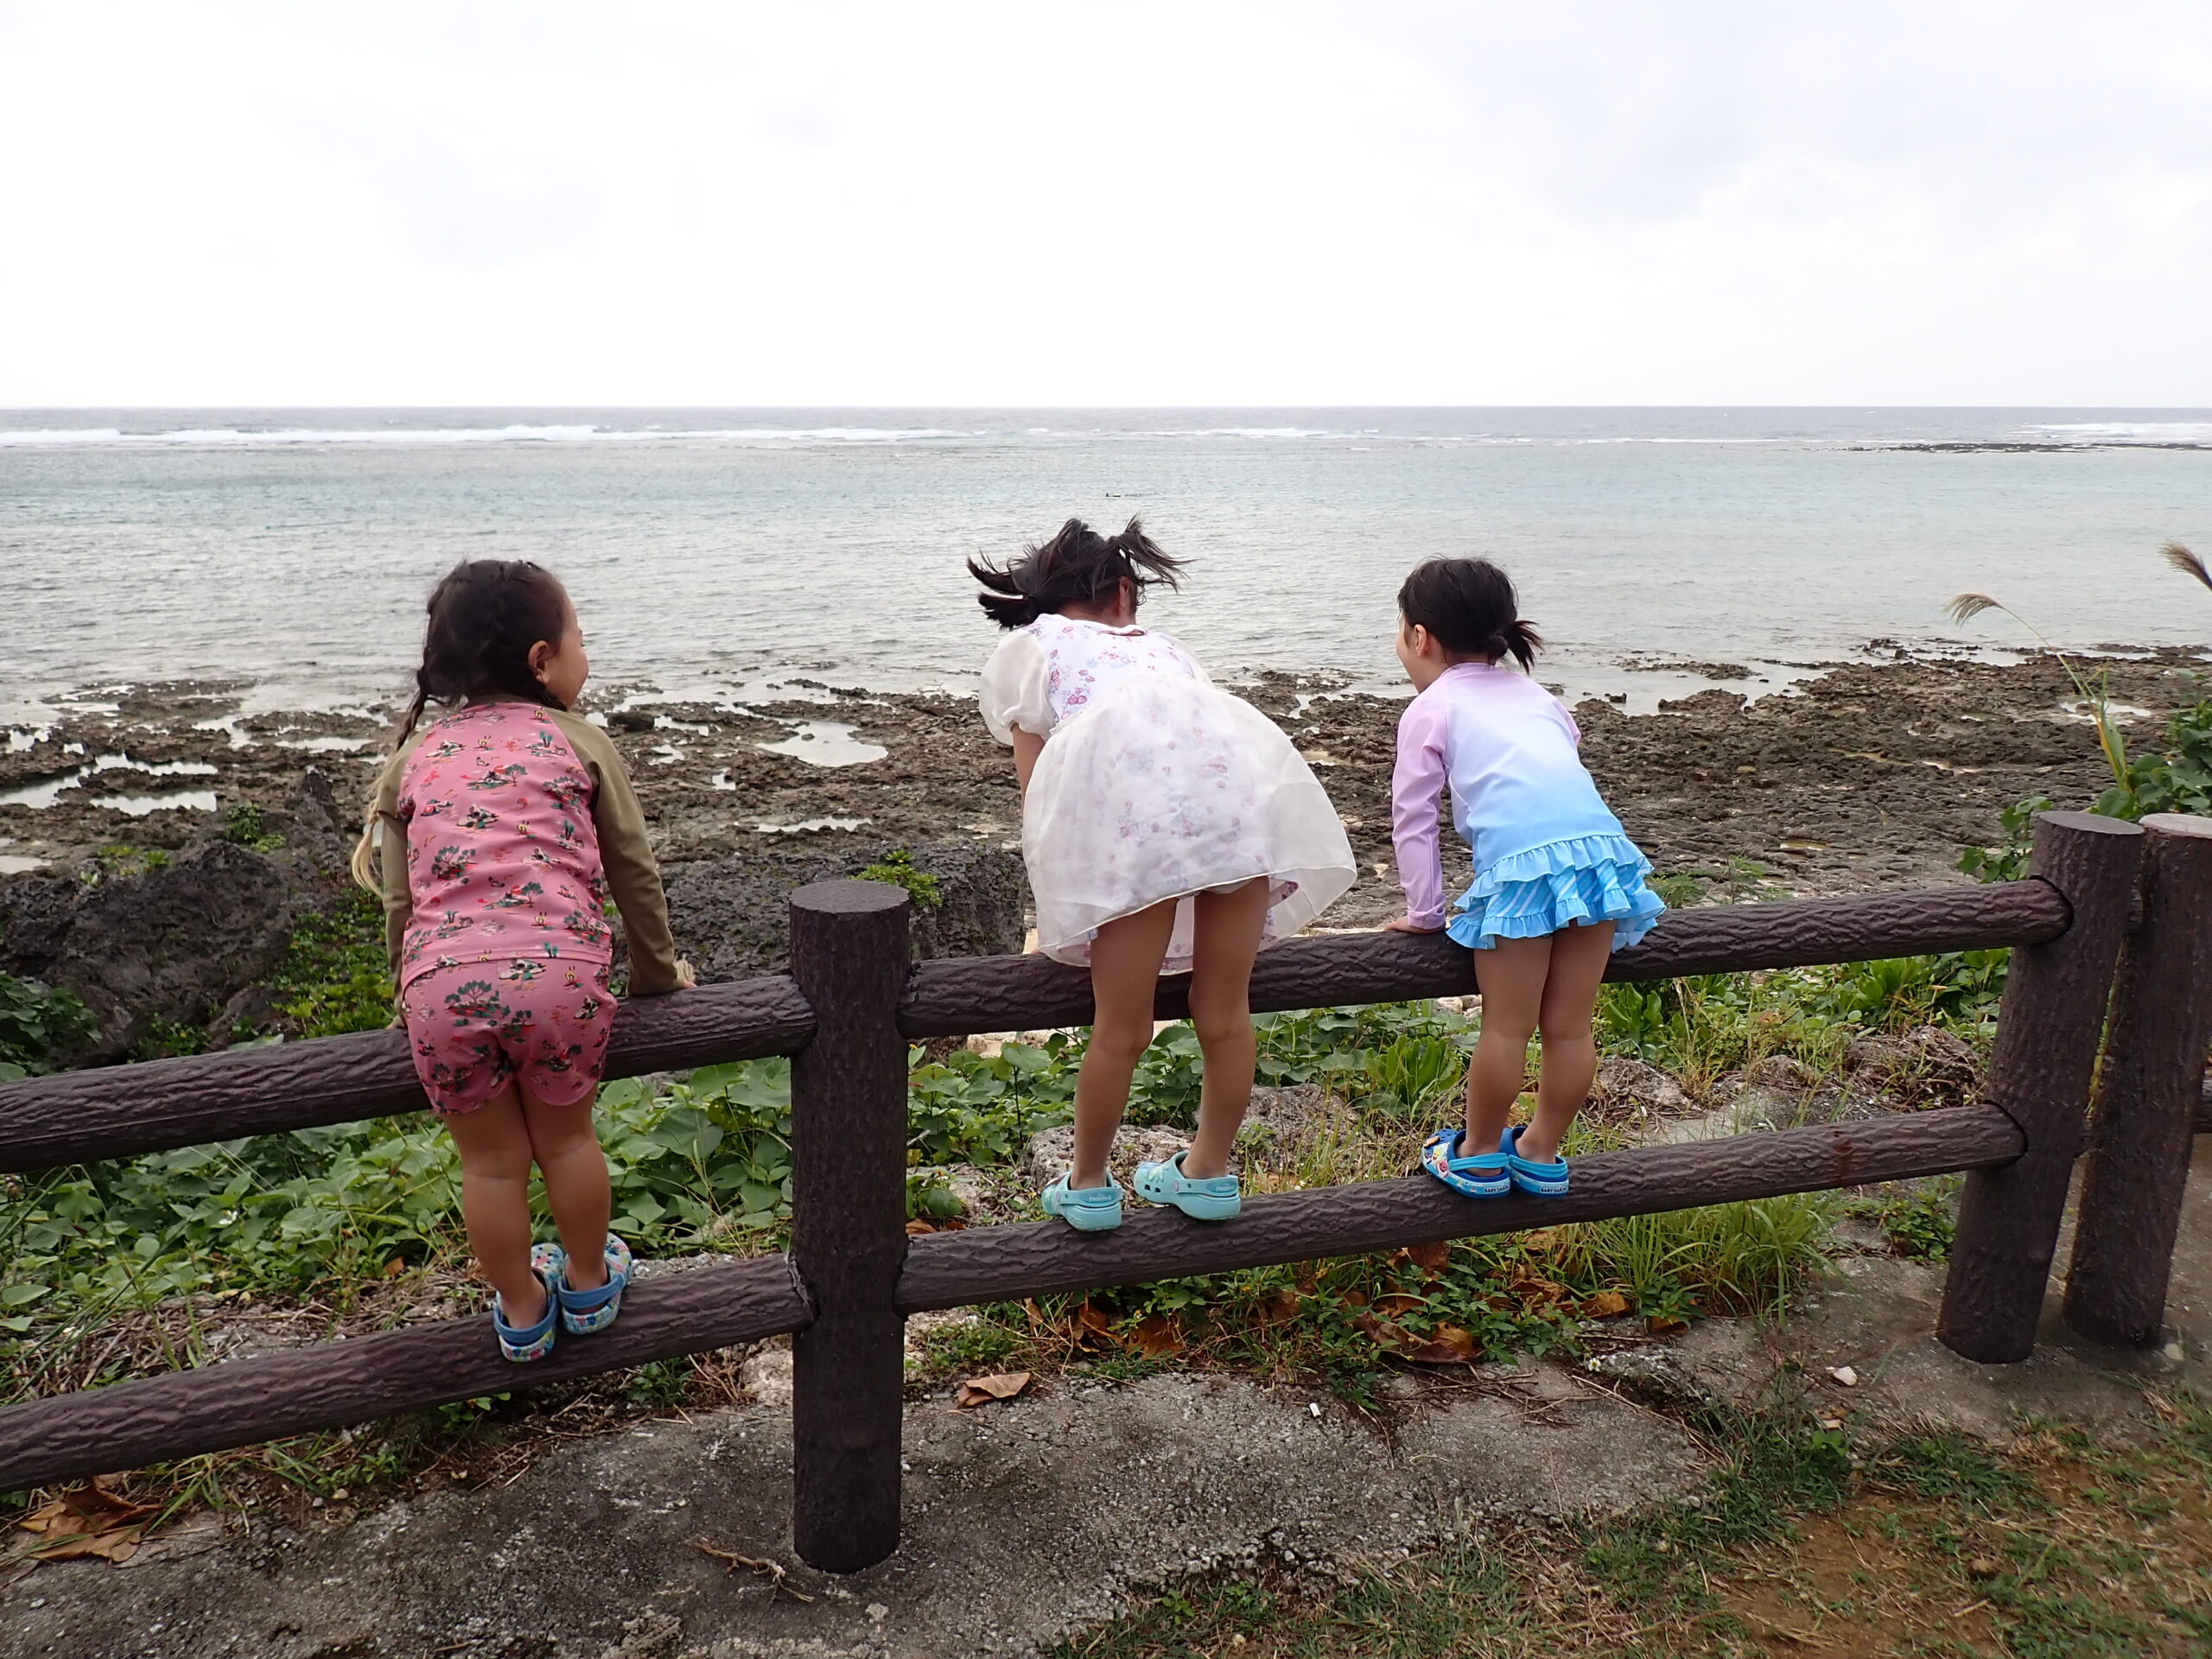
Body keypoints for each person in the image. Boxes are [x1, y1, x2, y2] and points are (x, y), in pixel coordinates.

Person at [973, 518, 1356, 1231]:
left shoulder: (1032, 647)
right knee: (1225, 1010)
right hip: (1239, 822)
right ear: (1124, 593)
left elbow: (1041, 791)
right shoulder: (1168, 650)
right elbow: (1197, 744)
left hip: (1136, 837)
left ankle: (1088, 1185)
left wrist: (1070, 887)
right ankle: (1208, 1174)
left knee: (1122, 1025)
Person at [352, 559, 692, 1361]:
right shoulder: (579, 740)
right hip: (560, 978)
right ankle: (586, 1280)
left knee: (493, 1168)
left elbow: (401, 903)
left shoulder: (415, 758)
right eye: (580, 637)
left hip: (443, 989)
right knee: (570, 1143)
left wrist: (411, 991)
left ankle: (520, 1309)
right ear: (542, 659)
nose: (586, 653)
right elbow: (633, 871)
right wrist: (657, 975)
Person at [1384, 556, 1664, 1199]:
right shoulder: (1541, 697)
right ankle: (1539, 1151)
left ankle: (1480, 1153)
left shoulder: (1432, 708)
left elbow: (1414, 819)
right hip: (1599, 857)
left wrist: (1427, 912)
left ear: (1419, 637)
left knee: (1506, 1026)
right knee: (1570, 1025)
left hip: (1524, 871)